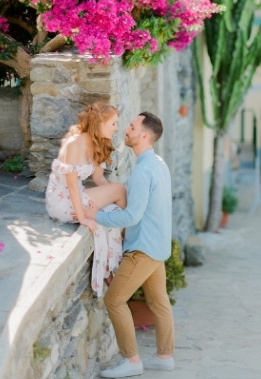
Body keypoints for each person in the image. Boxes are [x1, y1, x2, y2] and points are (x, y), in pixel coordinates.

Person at [87, 112, 175, 378]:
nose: (126, 129)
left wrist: (95, 215)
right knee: (159, 302)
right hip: (158, 246)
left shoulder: (142, 171)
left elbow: (131, 216)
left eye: (132, 127)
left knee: (114, 300)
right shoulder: (159, 164)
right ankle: (164, 357)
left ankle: (132, 360)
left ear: (144, 135)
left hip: (143, 249)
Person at [45, 102, 127, 297]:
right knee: (121, 190)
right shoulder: (75, 143)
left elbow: (98, 178)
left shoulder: (97, 142)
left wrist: (110, 199)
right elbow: (72, 185)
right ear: (100, 122)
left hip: (77, 194)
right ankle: (119, 253)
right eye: (113, 123)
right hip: (61, 202)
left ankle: (111, 259)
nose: (116, 128)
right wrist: (83, 218)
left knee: (118, 194)